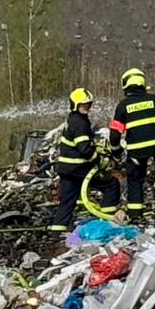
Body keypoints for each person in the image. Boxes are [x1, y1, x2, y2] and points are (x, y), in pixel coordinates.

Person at [108, 67, 155, 213]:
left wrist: (116, 151)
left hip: (135, 152)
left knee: (135, 180)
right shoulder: (154, 100)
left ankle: (135, 212)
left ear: (125, 85)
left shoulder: (123, 106)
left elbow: (114, 134)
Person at [51, 88, 120, 232]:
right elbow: (84, 148)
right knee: (111, 184)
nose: (87, 107)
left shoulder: (72, 120)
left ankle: (58, 231)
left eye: (88, 104)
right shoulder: (79, 122)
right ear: (75, 104)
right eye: (83, 104)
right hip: (79, 168)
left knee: (67, 200)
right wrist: (100, 160)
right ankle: (107, 221)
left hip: (66, 169)